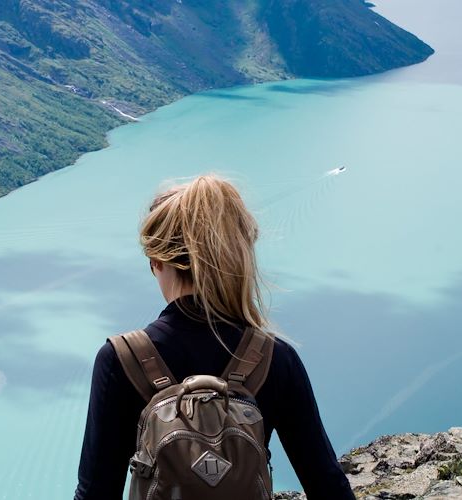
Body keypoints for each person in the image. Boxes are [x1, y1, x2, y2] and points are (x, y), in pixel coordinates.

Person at [74, 174, 354, 499]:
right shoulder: (274, 357)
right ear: (235, 256)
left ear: (157, 261)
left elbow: (94, 493)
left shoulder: (120, 360)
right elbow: (328, 486)